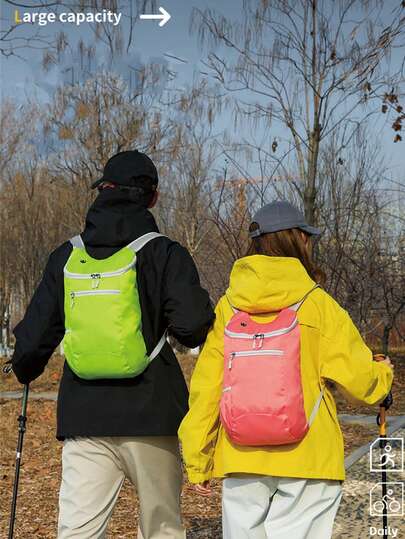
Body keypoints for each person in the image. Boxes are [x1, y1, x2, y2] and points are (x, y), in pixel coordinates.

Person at [11, 150, 215, 539]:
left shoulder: (67, 255)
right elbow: (192, 328)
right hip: (151, 413)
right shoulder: (164, 252)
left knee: (78, 530)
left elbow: (34, 340)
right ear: (153, 197)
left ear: (102, 190)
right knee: (160, 527)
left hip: (84, 415)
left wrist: (23, 367)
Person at [179, 200, 393, 539]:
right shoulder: (318, 305)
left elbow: (207, 389)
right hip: (308, 456)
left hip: (241, 455)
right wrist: (384, 376)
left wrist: (198, 459)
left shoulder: (228, 307)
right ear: (301, 240)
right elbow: (361, 380)